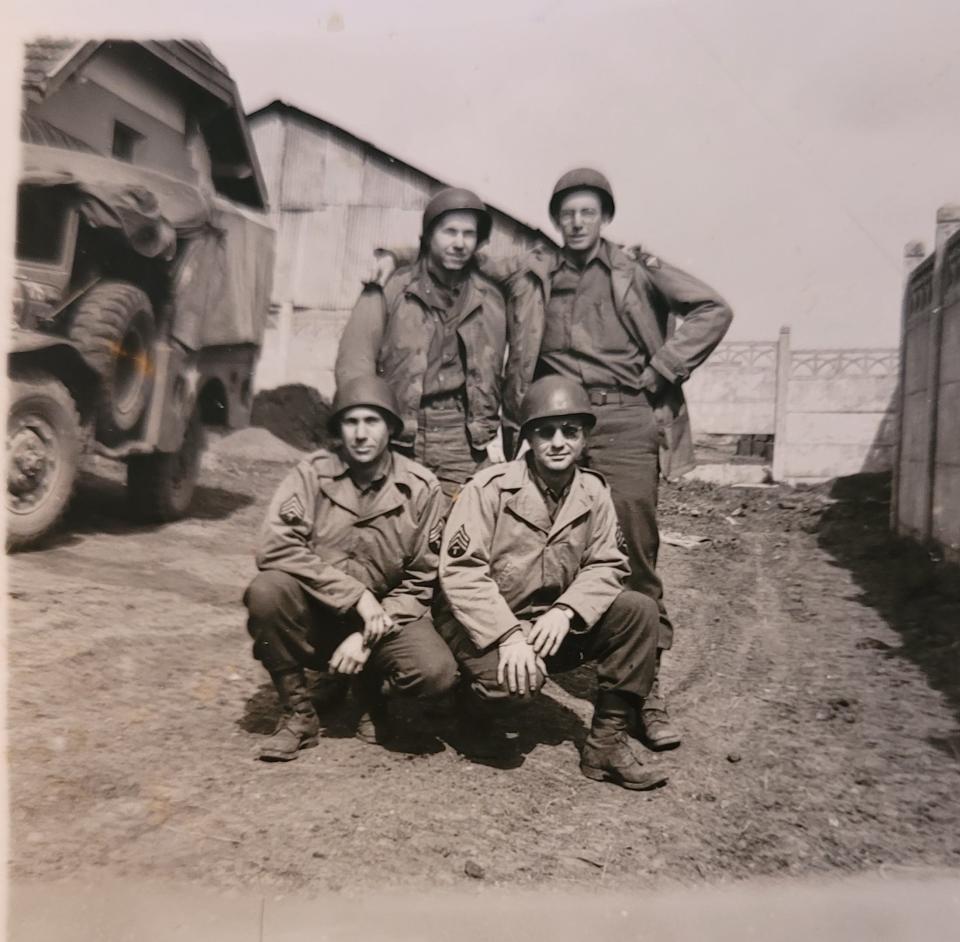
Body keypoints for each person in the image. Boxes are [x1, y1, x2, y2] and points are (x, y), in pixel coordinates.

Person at [374, 168, 733, 749]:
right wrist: (393, 253)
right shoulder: (532, 266)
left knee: (633, 555)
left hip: (619, 418)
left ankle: (645, 691)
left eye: (588, 211)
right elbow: (459, 250)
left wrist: (663, 370)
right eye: (566, 212)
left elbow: (713, 308)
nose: (576, 221)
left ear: (606, 216)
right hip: (546, 418)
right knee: (518, 541)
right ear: (555, 218)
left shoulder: (636, 267)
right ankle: (506, 648)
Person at [436, 376, 667, 791]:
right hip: (484, 625)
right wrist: (508, 636)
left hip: (547, 623)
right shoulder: (490, 489)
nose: (558, 442)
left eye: (570, 431)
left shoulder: (593, 491)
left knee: (639, 611)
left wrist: (567, 610)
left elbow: (607, 563)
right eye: (546, 431)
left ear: (585, 438)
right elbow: (461, 572)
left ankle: (606, 745)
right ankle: (466, 714)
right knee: (512, 686)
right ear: (528, 439)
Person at [243, 376, 458, 761]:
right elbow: (275, 547)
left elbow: (420, 580)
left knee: (435, 671)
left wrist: (366, 636)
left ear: (391, 428)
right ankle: (299, 716)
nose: (361, 434)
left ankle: (370, 696)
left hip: (385, 619)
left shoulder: (421, 488)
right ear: (338, 429)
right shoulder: (312, 473)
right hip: (319, 612)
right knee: (266, 592)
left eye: (372, 422)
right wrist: (355, 596)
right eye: (351, 422)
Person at [335, 187, 507, 503]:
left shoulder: (493, 298)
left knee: (459, 533)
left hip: (462, 437)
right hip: (398, 432)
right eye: (449, 231)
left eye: (469, 234)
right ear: (428, 236)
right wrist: (368, 429)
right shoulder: (389, 289)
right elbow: (355, 365)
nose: (459, 242)